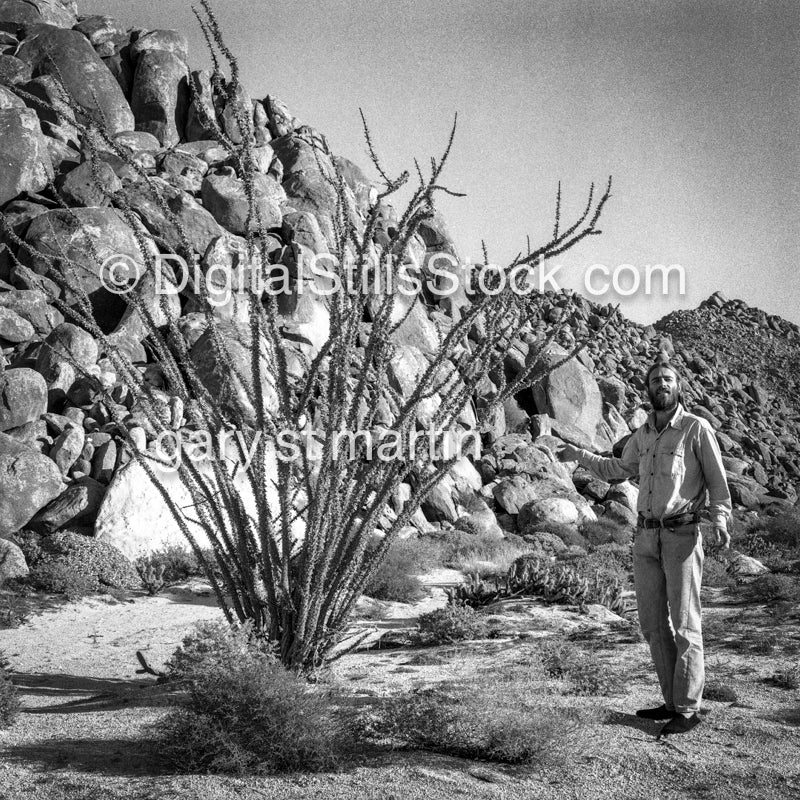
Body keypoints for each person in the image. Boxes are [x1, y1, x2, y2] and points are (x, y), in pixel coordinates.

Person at [557, 359, 731, 736]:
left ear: (678, 386)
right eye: (656, 380)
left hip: (681, 536)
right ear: (648, 389)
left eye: (668, 379)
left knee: (686, 624)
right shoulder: (643, 434)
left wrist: (719, 518)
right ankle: (670, 701)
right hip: (645, 537)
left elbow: (718, 482)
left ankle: (688, 709)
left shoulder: (695, 429)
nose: (662, 384)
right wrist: (580, 456)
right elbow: (617, 470)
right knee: (652, 624)